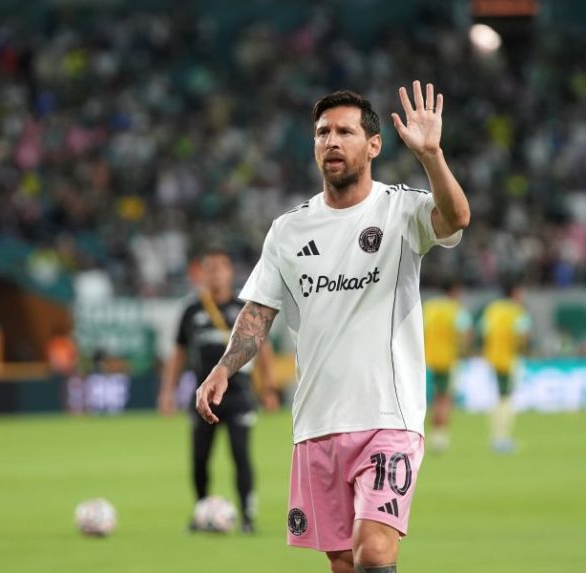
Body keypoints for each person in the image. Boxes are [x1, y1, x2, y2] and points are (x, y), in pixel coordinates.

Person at [196, 82, 470, 573]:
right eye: (323, 133)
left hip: (388, 416)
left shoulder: (401, 209)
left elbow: (456, 218)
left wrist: (432, 156)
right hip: (317, 422)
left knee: (374, 551)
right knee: (343, 563)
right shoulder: (288, 230)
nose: (332, 141)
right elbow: (259, 312)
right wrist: (223, 368)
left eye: (345, 132)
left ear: (374, 145)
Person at [158, 247, 278, 534]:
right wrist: (167, 392)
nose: (215, 274)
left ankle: (247, 516)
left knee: (240, 454)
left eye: (220, 268)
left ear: (229, 272)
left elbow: (263, 349)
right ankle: (201, 511)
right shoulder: (191, 311)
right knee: (200, 458)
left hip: (238, 395)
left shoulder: (243, 308)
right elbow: (178, 354)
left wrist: (268, 388)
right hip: (204, 396)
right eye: (209, 269)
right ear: (201, 274)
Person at [480, 282, 531, 453]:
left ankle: (497, 436)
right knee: (506, 399)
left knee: (499, 398)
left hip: (493, 358)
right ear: (514, 293)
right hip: (509, 360)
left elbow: (484, 331)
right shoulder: (517, 311)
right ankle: (501, 439)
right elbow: (523, 334)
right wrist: (522, 350)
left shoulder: (492, 309)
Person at [423, 281, 472, 453]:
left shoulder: (429, 307)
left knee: (430, 398)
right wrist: (464, 351)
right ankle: (439, 437)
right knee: (444, 397)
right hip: (448, 360)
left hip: (427, 359)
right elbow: (465, 333)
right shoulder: (456, 309)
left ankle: (426, 434)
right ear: (453, 291)